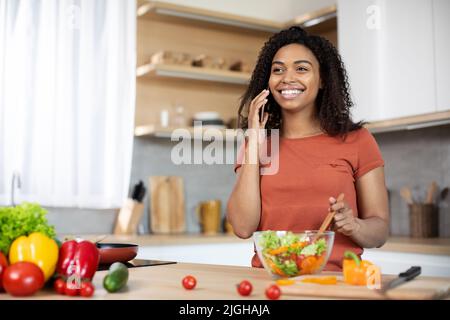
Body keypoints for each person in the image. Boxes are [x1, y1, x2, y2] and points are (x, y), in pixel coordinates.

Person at [226, 26, 389, 271]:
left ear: (323, 79)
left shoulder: (358, 140)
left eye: (301, 68)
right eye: (278, 69)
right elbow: (242, 227)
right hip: (271, 284)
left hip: (337, 284)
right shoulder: (258, 142)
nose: (287, 78)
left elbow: (380, 231)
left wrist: (354, 225)